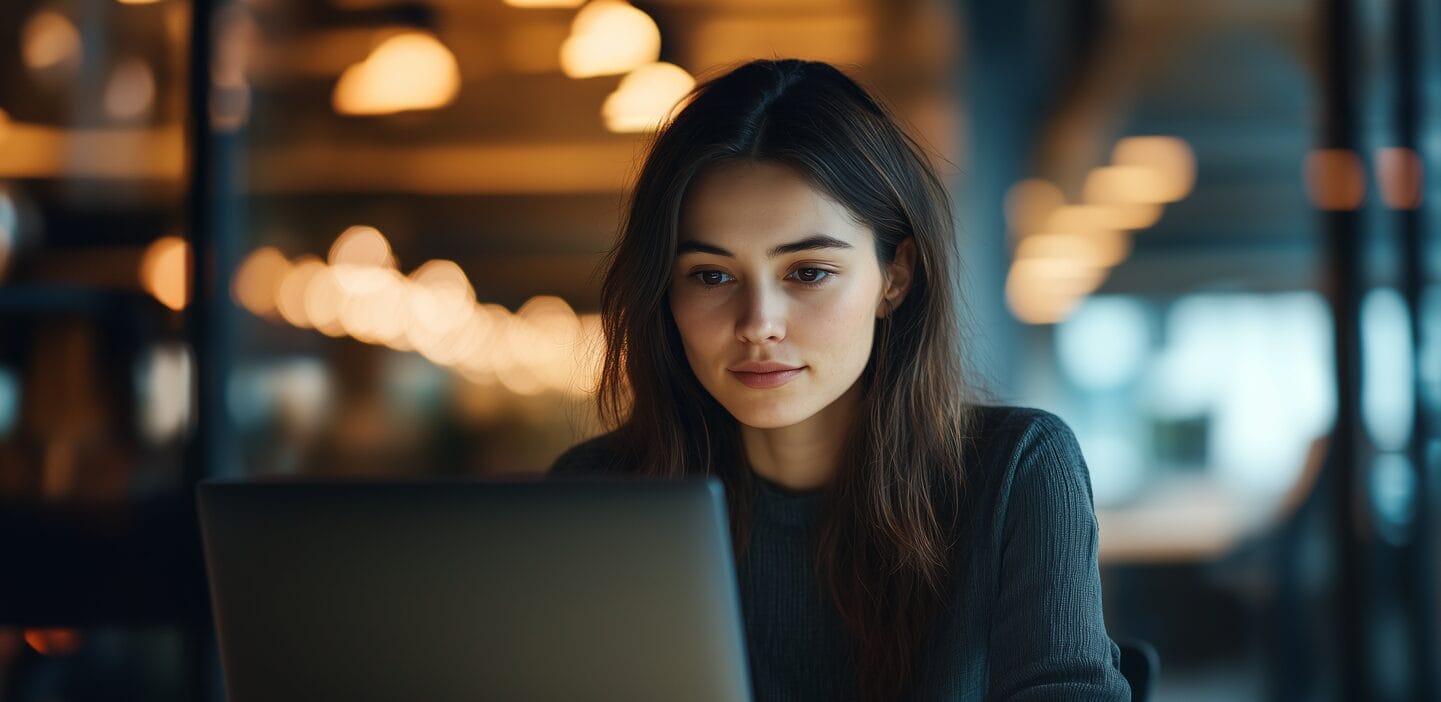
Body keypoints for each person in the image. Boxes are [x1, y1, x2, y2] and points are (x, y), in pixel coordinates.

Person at [549, 58, 1130, 701]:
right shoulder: (598, 493)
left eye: (808, 272)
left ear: (895, 276)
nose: (758, 324)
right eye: (711, 276)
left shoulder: (1017, 470)